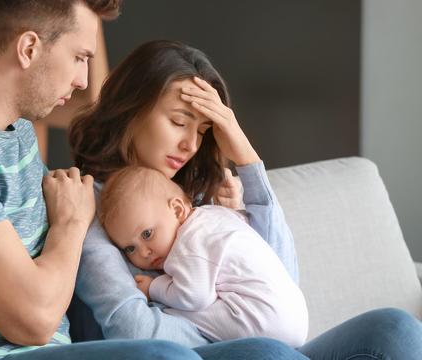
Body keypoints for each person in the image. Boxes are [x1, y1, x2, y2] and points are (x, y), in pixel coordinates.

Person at [0, 1, 216, 359]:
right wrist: (70, 224)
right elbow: (35, 320)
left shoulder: (15, 132)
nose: (83, 81)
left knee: (265, 352)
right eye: (79, 57)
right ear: (28, 48)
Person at [68, 39, 422, 359]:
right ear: (130, 109)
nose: (191, 145)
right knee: (267, 352)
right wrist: (243, 335)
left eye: (203, 131)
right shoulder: (89, 206)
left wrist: (248, 162)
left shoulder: (197, 204)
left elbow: (282, 285)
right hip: (211, 352)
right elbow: (135, 330)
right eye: (179, 121)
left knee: (395, 329)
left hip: (273, 349)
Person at [98, 166, 309, 347]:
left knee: (174, 311)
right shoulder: (214, 216)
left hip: (267, 322)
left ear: (178, 210)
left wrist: (153, 288)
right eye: (130, 249)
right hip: (295, 315)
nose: (144, 252)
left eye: (147, 234)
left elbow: (194, 296)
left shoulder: (188, 240)